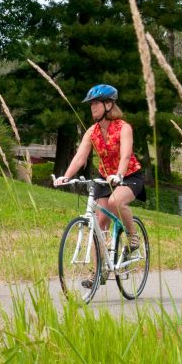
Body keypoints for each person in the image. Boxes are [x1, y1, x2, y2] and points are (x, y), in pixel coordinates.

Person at [54, 83, 147, 250]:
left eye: (96, 103)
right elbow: (80, 157)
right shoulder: (92, 132)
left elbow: (125, 155)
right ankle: (97, 274)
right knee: (99, 223)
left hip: (129, 176)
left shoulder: (123, 128)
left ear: (108, 104)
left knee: (115, 202)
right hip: (105, 179)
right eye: (91, 104)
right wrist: (66, 176)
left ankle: (132, 235)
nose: (92, 107)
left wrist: (119, 175)